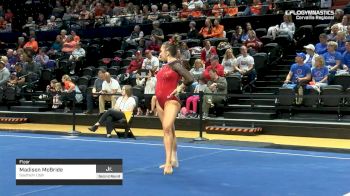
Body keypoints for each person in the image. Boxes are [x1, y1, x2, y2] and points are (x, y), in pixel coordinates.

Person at [156, 35, 194, 175]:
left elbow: (190, 78)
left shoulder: (175, 64)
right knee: (170, 130)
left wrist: (180, 87)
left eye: (161, 50)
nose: (159, 53)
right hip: (160, 102)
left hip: (171, 100)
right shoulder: (165, 65)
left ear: (167, 51)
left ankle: (168, 164)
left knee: (166, 129)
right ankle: (174, 159)